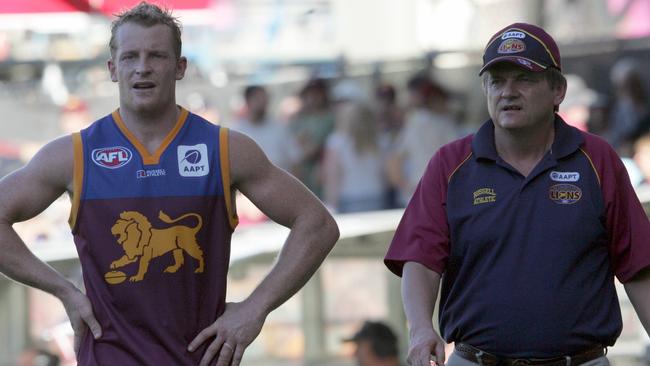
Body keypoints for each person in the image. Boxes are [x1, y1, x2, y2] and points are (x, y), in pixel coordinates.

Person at [0, 2, 339, 366]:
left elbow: (317, 225)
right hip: (110, 356)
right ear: (113, 70)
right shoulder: (75, 154)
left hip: (198, 358)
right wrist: (63, 290)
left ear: (180, 68)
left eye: (157, 56)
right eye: (130, 57)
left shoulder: (225, 149)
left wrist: (256, 308)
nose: (142, 67)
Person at [384, 22, 650, 365]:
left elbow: (638, 265)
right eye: (497, 80)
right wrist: (420, 329)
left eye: (524, 78)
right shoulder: (450, 164)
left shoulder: (597, 160)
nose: (507, 91)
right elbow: (420, 259)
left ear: (558, 91)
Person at [386, 73, 458, 207]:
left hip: (418, 192)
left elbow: (393, 161)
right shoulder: (443, 123)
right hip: (441, 193)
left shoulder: (413, 122)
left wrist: (406, 186)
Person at [323, 102, 387, 213]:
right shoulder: (381, 141)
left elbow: (333, 175)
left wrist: (331, 202)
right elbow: (384, 174)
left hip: (349, 197)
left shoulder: (336, 141)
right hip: (376, 193)